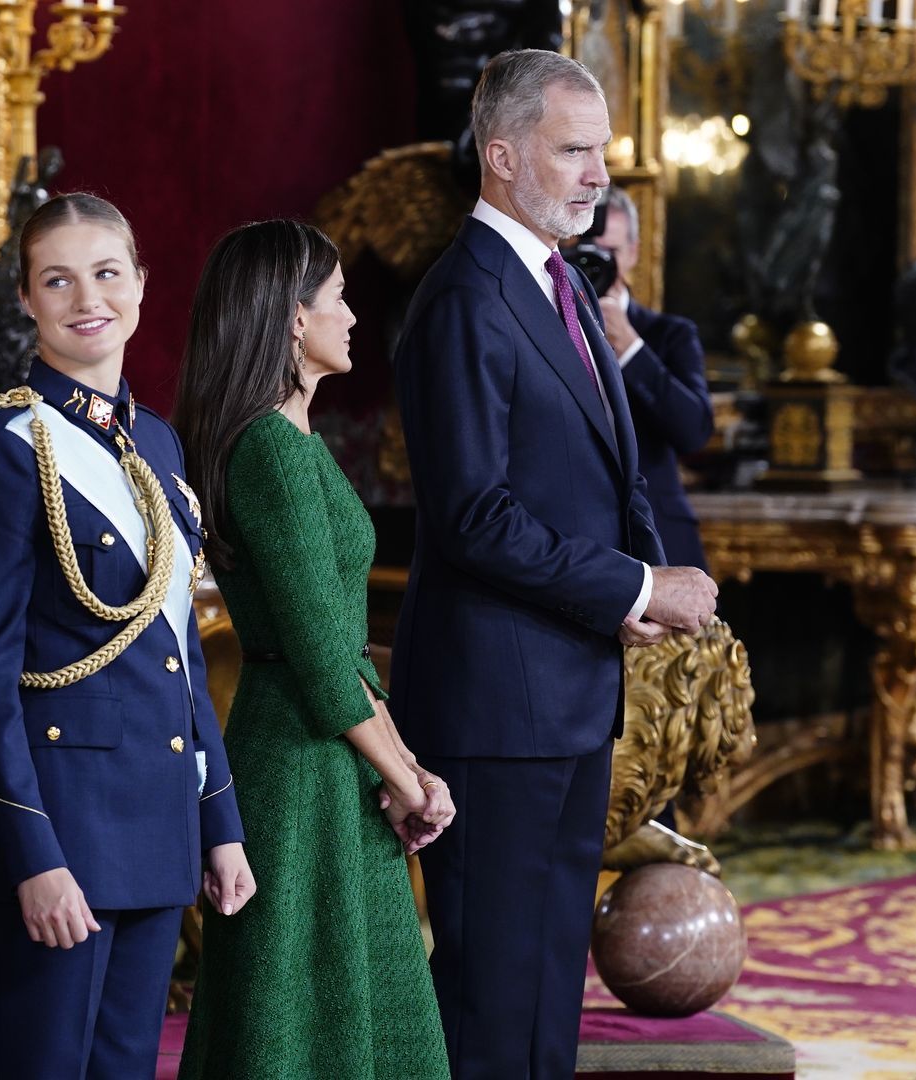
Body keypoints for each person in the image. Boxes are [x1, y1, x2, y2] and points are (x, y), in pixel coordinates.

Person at [389, 50, 719, 1079]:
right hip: (494, 710)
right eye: (572, 151)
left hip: (567, 692)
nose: (595, 176)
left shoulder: (559, 284)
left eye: (601, 154)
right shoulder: (464, 301)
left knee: (543, 990)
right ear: (500, 155)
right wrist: (637, 586)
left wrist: (632, 593)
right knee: (493, 993)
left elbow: (597, 480)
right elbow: (475, 515)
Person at [0, 193, 254, 1079]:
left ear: (142, 286)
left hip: (154, 825)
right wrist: (34, 855)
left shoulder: (157, 443)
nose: (88, 298)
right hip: (59, 829)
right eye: (58, 279)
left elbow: (179, 653)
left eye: (107, 273)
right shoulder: (2, 448)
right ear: (28, 301)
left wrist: (218, 824)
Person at [174, 220, 456, 1080]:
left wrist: (405, 768)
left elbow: (343, 651)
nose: (354, 318)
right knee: (295, 1031)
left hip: (333, 760)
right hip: (299, 770)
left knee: (356, 1023)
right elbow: (322, 660)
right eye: (337, 298)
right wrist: (409, 783)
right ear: (294, 319)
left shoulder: (295, 442)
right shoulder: (269, 450)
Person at [590, 186, 714, 571]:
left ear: (633, 253)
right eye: (587, 251)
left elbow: (694, 431)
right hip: (582, 545)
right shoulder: (547, 327)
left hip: (661, 539)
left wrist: (631, 349)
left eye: (609, 253)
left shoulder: (670, 335)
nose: (598, 263)